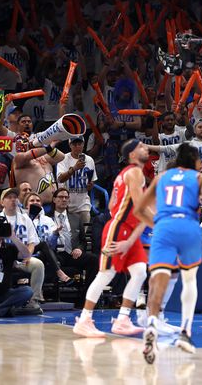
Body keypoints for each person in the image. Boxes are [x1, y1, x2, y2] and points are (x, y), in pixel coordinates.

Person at [134, 142, 202, 362]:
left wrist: (158, 225)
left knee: (158, 279)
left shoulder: (162, 177)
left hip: (163, 227)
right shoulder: (201, 178)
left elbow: (139, 209)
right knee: (189, 280)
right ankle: (185, 332)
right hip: (188, 226)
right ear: (194, 160)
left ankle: (152, 322)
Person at [73, 139, 149, 337]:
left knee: (140, 271)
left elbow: (112, 204)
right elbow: (140, 208)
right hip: (118, 228)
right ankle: (84, 320)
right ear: (132, 154)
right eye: (141, 146)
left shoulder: (123, 175)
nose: (146, 148)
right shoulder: (135, 172)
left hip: (128, 229)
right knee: (106, 274)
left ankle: (123, 320)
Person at [56, 137, 97, 227]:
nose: (77, 147)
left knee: (87, 235)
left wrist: (90, 185)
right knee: (73, 237)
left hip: (84, 203)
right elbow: (60, 179)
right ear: (70, 145)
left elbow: (92, 182)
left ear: (83, 144)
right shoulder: (63, 158)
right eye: (74, 144)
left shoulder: (89, 160)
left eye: (80, 144)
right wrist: (74, 168)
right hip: (67, 203)